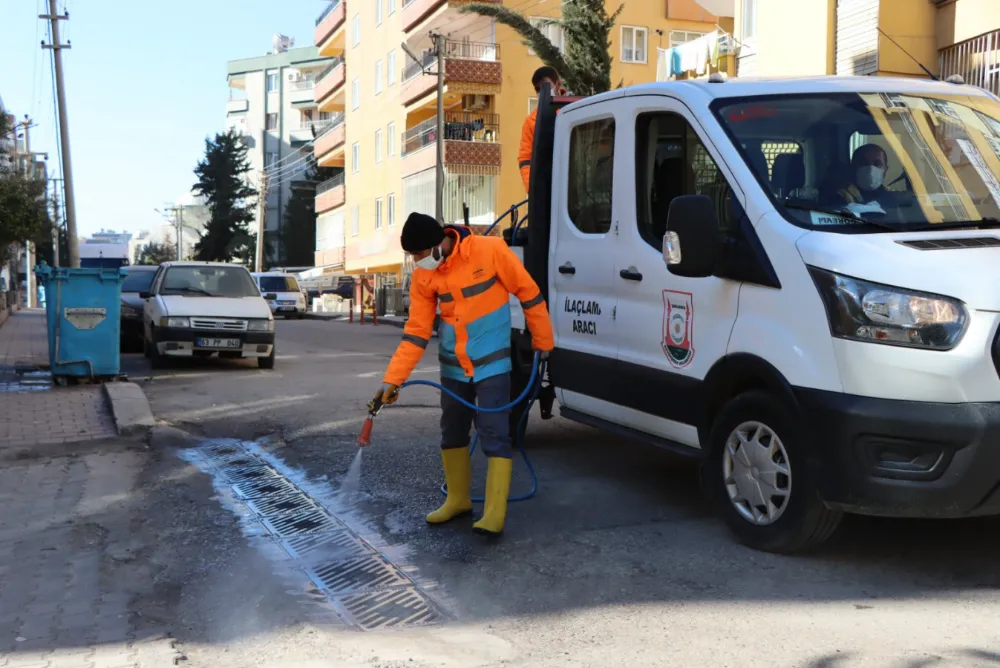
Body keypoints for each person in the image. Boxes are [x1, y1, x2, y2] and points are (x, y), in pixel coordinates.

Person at [371, 212, 554, 536]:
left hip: (493, 363)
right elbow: (416, 333)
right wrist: (392, 380)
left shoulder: (491, 250)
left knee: (494, 431)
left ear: (438, 243)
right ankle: (458, 500)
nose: (416, 261)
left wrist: (543, 342)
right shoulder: (424, 277)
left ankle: (494, 513)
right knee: (451, 430)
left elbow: (528, 292)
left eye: (418, 254)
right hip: (454, 367)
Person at [519, 66, 565, 193]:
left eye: (546, 86)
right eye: (538, 89)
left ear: (558, 85)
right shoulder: (531, 121)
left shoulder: (571, 109)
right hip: (544, 188)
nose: (541, 92)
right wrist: (533, 190)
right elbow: (525, 159)